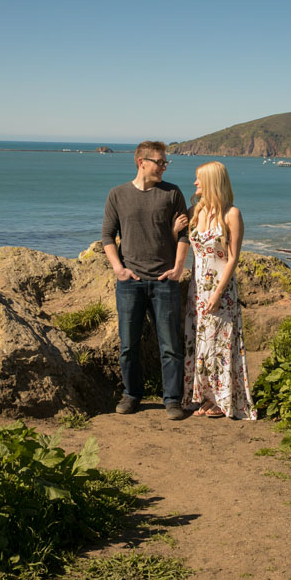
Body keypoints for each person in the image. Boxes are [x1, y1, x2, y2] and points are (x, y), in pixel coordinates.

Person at [102, 140, 190, 420]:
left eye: (166, 163)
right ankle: (131, 395)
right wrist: (119, 269)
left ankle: (172, 400)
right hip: (130, 282)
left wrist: (178, 269)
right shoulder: (117, 194)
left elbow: (184, 234)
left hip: (165, 280)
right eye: (160, 162)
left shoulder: (173, 193)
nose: (164, 167)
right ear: (142, 162)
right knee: (128, 345)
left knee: (170, 345)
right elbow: (107, 236)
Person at [176, 161, 257, 419]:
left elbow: (233, 257)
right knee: (198, 342)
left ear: (211, 182)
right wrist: (174, 230)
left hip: (220, 290)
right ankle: (202, 395)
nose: (195, 183)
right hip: (197, 288)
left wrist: (218, 292)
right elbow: (183, 243)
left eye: (199, 179)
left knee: (219, 344)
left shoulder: (231, 214)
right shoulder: (195, 211)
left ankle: (221, 400)